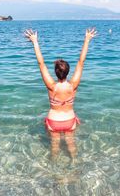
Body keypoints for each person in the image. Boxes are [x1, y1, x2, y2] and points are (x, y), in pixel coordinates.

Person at [24, 28, 97, 160]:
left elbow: (41, 64)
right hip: (69, 120)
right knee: (71, 145)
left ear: (56, 72)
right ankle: (74, 165)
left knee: (54, 147)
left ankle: (54, 171)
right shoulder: (73, 85)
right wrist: (87, 40)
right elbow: (81, 62)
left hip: (54, 121)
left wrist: (34, 42)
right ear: (68, 72)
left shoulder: (51, 87)